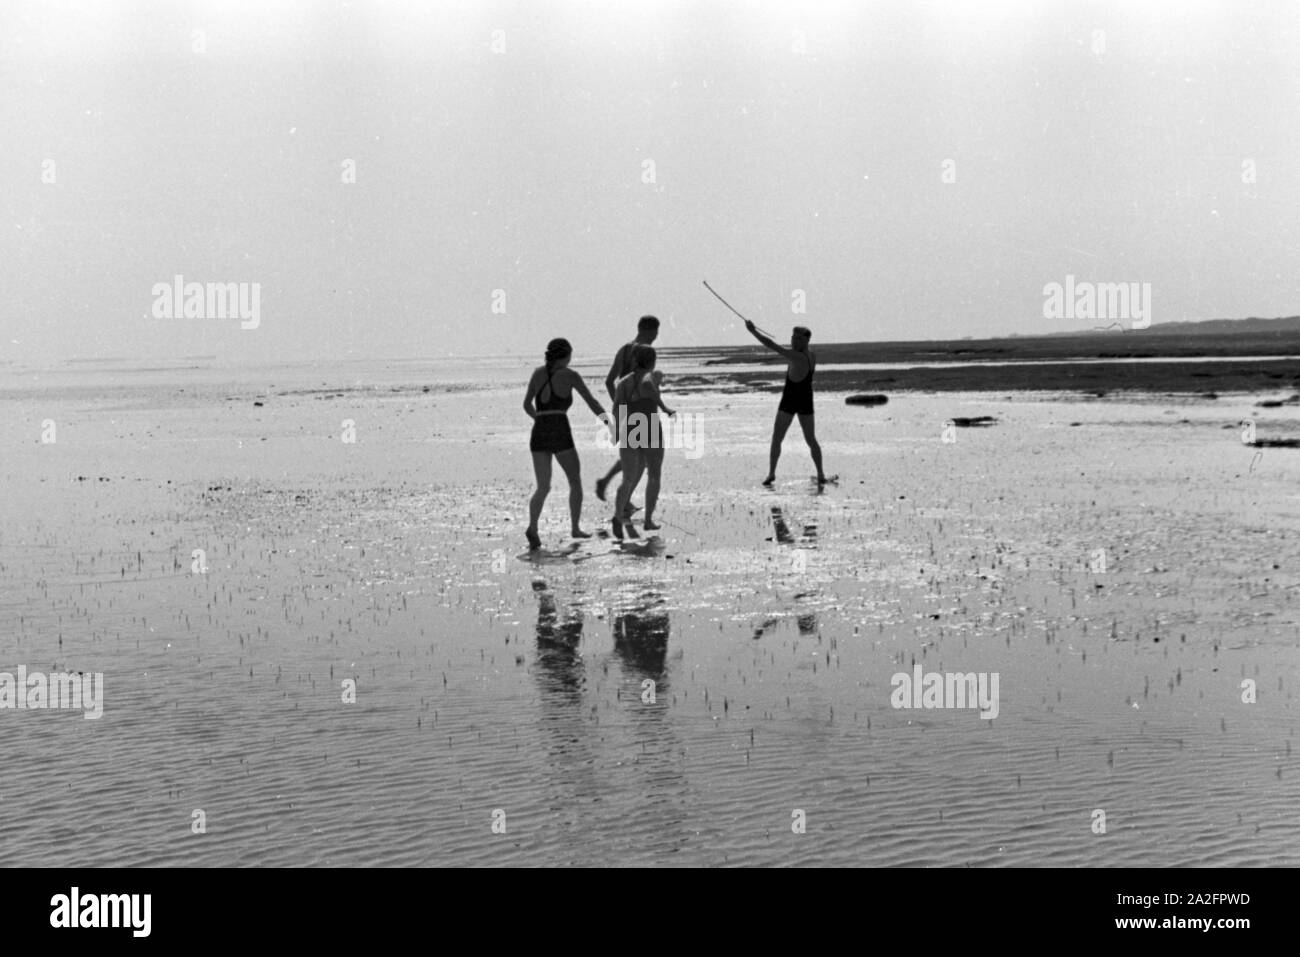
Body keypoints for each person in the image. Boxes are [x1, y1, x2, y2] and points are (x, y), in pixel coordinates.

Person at [523, 338, 612, 550]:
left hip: (539, 431)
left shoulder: (537, 373)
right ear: (567, 356)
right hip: (559, 430)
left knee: (542, 486)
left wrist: (539, 419)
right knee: (574, 480)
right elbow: (592, 402)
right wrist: (610, 424)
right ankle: (574, 527)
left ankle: (533, 527)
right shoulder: (570, 375)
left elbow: (526, 405)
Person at [743, 321, 827, 485]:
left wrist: (752, 331)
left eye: (798, 338)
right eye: (792, 338)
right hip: (805, 399)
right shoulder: (811, 355)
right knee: (805, 439)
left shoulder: (799, 356)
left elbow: (771, 345)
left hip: (793, 400)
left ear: (806, 341)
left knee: (787, 439)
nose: (794, 341)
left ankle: (774, 473)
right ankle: (818, 474)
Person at [611, 345, 675, 539]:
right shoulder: (653, 377)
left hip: (631, 427)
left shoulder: (623, 383)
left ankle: (617, 515)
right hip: (649, 426)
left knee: (629, 478)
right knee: (654, 475)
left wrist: (616, 433)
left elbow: (616, 410)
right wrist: (664, 407)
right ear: (653, 361)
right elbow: (648, 386)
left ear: (634, 360)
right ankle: (648, 520)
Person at [596, 315, 660, 508]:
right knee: (641, 460)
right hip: (642, 413)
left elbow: (609, 382)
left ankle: (608, 484)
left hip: (626, 411)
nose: (656, 336)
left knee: (633, 455)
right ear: (648, 330)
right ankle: (623, 501)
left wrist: (620, 406)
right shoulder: (646, 353)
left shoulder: (624, 350)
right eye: (655, 332)